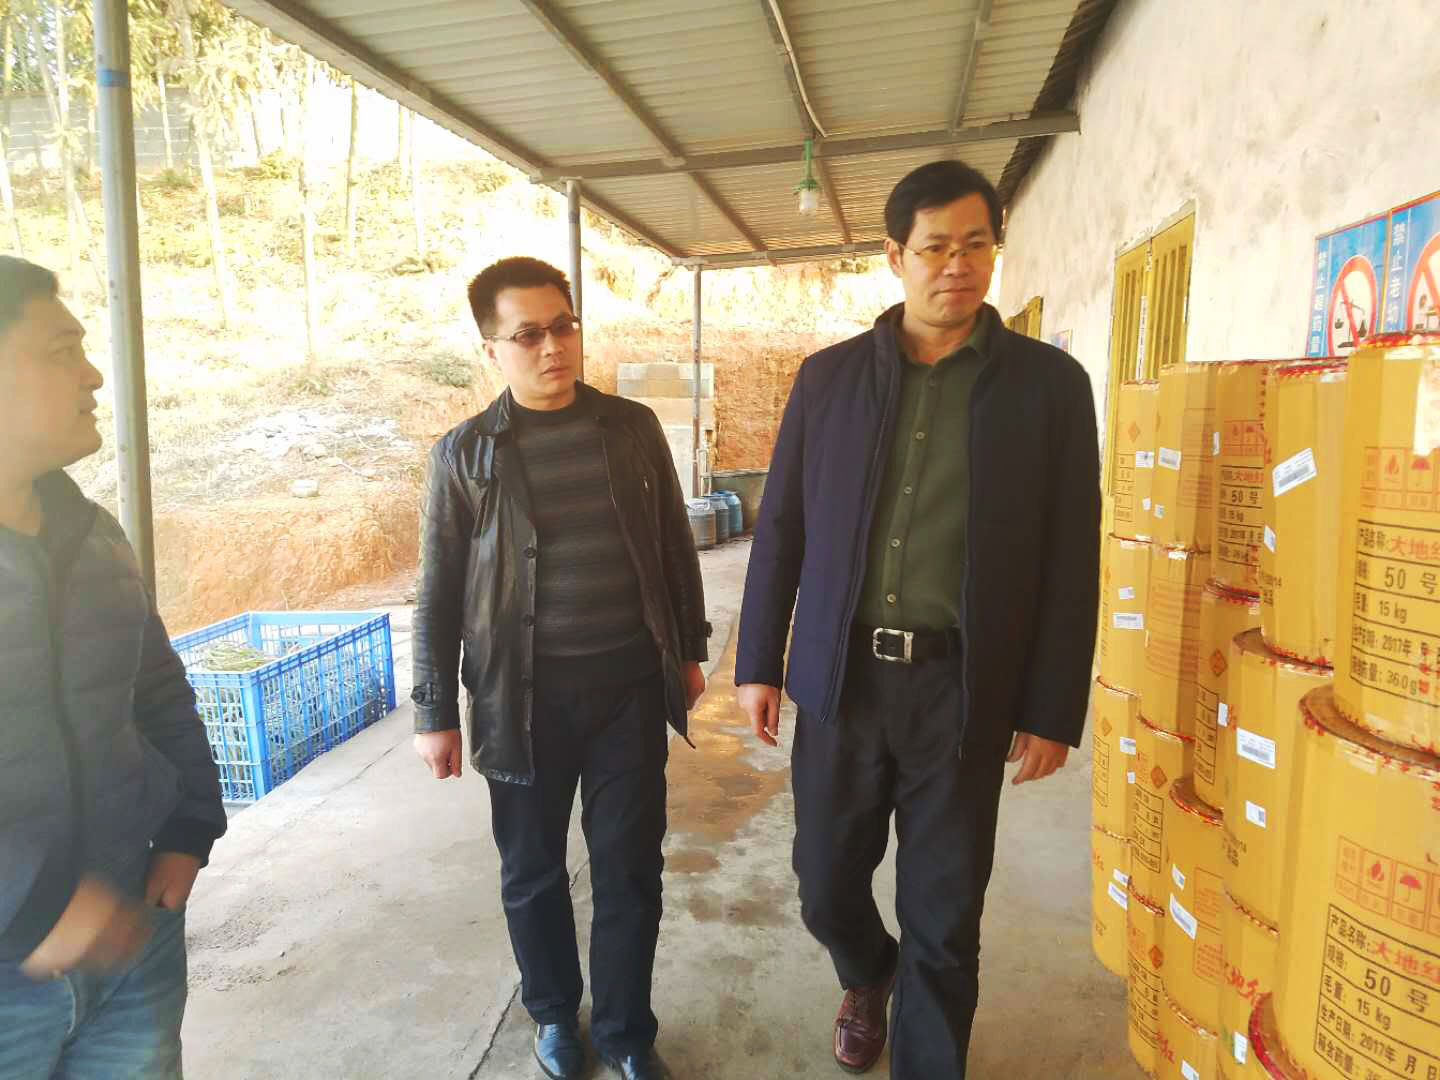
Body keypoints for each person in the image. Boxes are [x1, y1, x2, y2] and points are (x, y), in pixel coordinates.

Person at [735, 161, 1100, 1078]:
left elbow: (1071, 555)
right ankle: (868, 973)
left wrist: (1053, 708)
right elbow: (782, 528)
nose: (957, 266)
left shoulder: (1049, 386)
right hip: (844, 680)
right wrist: (759, 662)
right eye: (935, 247)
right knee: (824, 886)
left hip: (963, 688)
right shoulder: (828, 381)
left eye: (976, 244)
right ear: (895, 255)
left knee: (945, 915)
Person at [411, 257, 710, 1080]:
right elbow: (437, 592)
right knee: (532, 870)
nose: (553, 347)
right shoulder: (463, 455)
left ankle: (624, 1031)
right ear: (491, 350)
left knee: (630, 868)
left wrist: (688, 650)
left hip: (626, 691)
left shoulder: (631, 428)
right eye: (529, 335)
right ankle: (551, 1014)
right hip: (520, 701)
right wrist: (433, 712)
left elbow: (673, 546)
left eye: (564, 326)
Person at [0, 256, 228, 1078]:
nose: (94, 375)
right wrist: (30, 907)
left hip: (134, 932)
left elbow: (157, 690)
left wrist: (189, 829)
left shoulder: (93, 533)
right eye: (61, 352)